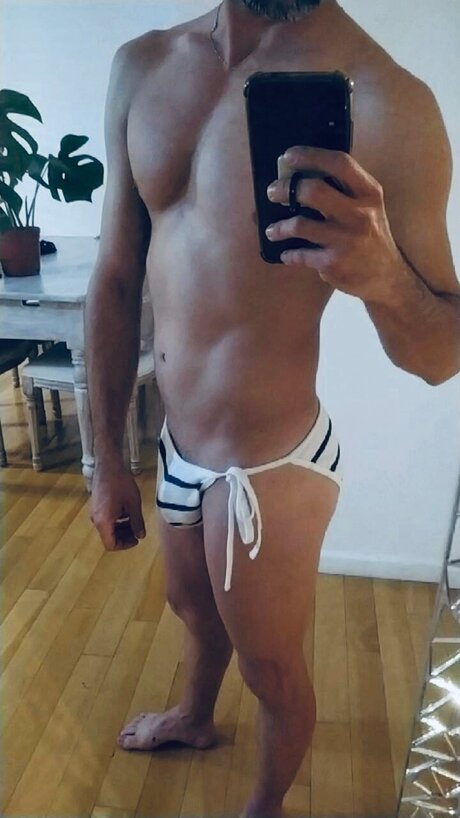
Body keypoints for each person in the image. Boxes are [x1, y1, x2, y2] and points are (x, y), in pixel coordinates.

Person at [86, 1, 460, 815]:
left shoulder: (387, 101)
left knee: (271, 669)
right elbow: (116, 274)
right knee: (193, 609)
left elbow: (442, 356)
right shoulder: (143, 66)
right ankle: (194, 716)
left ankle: (265, 807)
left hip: (271, 465)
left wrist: (385, 276)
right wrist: (104, 457)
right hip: (177, 445)